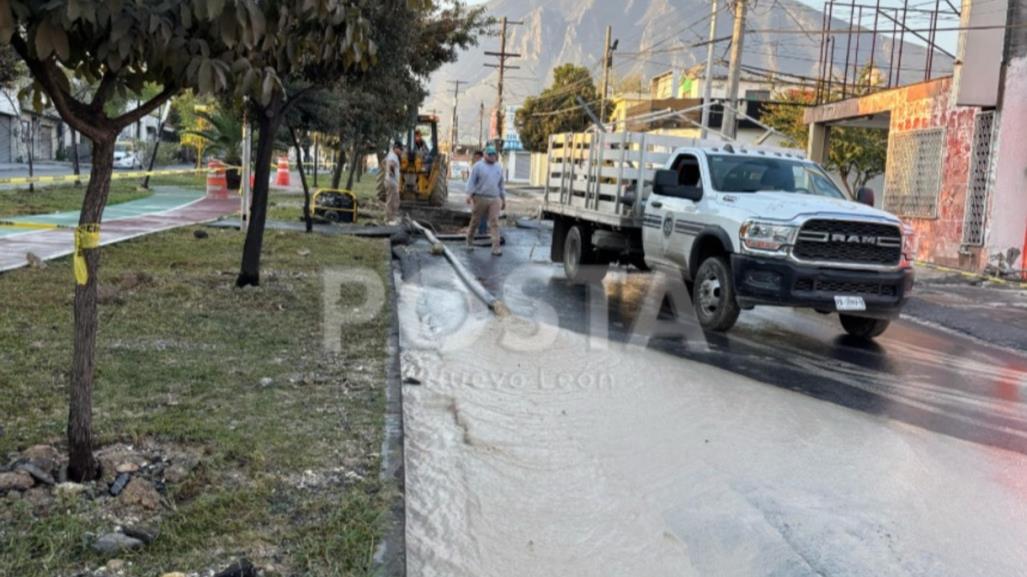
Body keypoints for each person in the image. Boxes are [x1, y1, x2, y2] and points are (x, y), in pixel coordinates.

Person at [466, 145, 505, 256]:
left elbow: (501, 184)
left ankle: (496, 247)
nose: (492, 157)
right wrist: (469, 195)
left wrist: (503, 199)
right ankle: (469, 241)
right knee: (475, 221)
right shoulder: (478, 166)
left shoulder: (498, 167)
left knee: (494, 223)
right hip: (480, 197)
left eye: (494, 155)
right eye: (490, 154)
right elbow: (471, 182)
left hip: (495, 198)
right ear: (485, 155)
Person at [467, 150, 488, 238]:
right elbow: (471, 182)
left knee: (481, 214)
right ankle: (480, 231)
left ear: (481, 157)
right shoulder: (475, 167)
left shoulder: (483, 168)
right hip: (477, 195)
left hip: (482, 194)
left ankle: (481, 232)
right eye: (475, 158)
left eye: (477, 157)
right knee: (478, 214)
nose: (475, 159)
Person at [384, 141, 403, 224]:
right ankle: (389, 219)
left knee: (395, 200)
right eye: (400, 149)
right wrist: (390, 172)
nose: (401, 151)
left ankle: (392, 217)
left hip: (393, 181)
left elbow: (383, 162)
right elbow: (390, 164)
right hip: (391, 182)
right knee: (391, 200)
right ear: (396, 148)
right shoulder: (393, 156)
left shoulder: (391, 155)